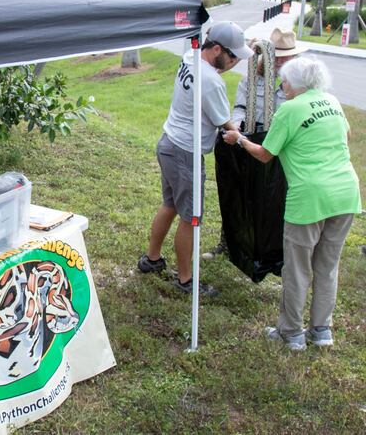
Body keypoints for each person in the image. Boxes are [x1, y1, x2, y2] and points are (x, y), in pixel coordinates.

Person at [223, 57, 361, 351]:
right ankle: (322, 331)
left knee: (297, 269)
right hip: (346, 193)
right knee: (327, 266)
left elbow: (264, 154)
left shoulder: (289, 109)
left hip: (309, 197)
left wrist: (239, 139)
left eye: (284, 81)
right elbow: (346, 135)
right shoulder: (332, 101)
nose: (281, 85)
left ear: (295, 84)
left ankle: (291, 332)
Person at [137, 21, 253, 297]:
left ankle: (152, 260)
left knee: (170, 204)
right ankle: (186, 280)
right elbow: (226, 123)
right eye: (233, 56)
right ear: (216, 49)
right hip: (185, 153)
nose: (235, 62)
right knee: (191, 218)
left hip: (169, 143)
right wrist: (244, 140)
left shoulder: (190, 57)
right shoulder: (211, 81)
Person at [202, 28, 307, 260]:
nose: (281, 62)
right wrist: (237, 127)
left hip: (278, 147)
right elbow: (240, 108)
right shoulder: (251, 81)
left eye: (286, 57)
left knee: (272, 199)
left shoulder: (298, 87)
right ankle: (230, 244)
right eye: (277, 56)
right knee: (238, 194)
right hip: (250, 140)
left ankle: (269, 251)